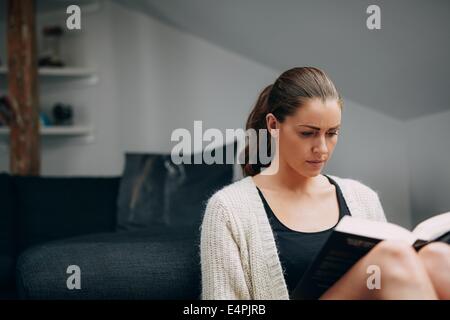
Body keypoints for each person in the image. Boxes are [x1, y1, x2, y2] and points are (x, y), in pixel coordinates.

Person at [200, 67, 450, 300]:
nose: (322, 148)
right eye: (308, 133)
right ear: (274, 126)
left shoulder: (362, 197)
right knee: (391, 257)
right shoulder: (228, 208)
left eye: (332, 133)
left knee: (436, 256)